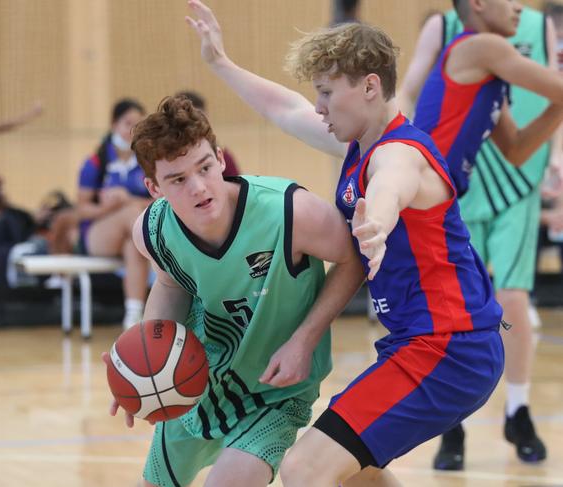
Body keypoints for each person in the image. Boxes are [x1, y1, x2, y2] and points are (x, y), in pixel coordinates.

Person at [186, 1, 505, 485]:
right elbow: (284, 108)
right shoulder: (361, 142)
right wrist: (220, 64)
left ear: (370, 87)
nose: (318, 106)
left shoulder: (399, 153)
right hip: (426, 344)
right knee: (356, 470)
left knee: (304, 469)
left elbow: (390, 186)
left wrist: (375, 222)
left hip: (448, 348)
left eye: (328, 93)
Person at [104, 95, 361, 487]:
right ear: (154, 187)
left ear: (221, 159)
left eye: (205, 168)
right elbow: (171, 283)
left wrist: (303, 340)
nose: (199, 187)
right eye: (178, 179)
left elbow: (352, 259)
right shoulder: (153, 231)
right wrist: (141, 367)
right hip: (195, 386)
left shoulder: (290, 212)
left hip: (274, 394)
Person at [403, 0, 563, 468]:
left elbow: (515, 149)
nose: (518, 6)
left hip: (441, 210)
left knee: (474, 319)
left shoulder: (489, 72)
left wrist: (556, 107)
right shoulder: (482, 47)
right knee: (443, 329)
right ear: (476, 4)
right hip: (424, 211)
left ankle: (498, 413)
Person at [74, 98, 153, 328]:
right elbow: (82, 209)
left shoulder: (146, 161)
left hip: (132, 234)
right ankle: (164, 258)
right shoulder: (96, 161)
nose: (132, 130)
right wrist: (110, 206)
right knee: (134, 217)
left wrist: (129, 199)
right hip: (98, 234)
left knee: (134, 242)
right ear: (113, 125)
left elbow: (159, 199)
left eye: (138, 125)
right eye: (127, 123)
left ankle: (133, 314)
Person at [175, 89, 242, 176]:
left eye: (200, 120)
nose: (195, 126)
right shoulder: (163, 163)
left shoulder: (224, 158)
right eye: (189, 121)